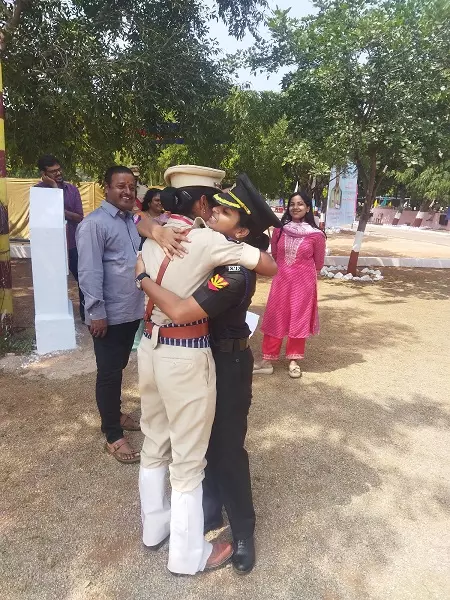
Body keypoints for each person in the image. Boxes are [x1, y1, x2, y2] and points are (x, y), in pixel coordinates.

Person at [136, 173, 281, 575]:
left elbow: (184, 309)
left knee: (226, 449)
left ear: (243, 229)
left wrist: (142, 276)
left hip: (226, 363)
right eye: (214, 206)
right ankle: (208, 510)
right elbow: (150, 224)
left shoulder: (234, 268)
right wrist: (149, 224)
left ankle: (244, 531)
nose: (215, 212)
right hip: (193, 357)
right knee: (197, 446)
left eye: (226, 212)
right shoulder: (202, 244)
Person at [76, 166, 144, 464]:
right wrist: (96, 313)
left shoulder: (131, 222)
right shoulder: (94, 224)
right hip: (108, 314)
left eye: (132, 186)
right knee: (108, 373)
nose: (128, 191)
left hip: (130, 310)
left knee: (118, 366)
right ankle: (113, 435)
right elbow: (89, 272)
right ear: (107, 187)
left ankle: (113, 413)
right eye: (121, 186)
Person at [253, 191, 326, 379]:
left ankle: (294, 361)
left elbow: (318, 263)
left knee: (298, 318)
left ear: (308, 208)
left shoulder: (317, 235)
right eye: (292, 204)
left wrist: (300, 271)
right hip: (282, 280)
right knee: (276, 316)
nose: (296, 207)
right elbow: (276, 255)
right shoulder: (280, 230)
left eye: (300, 204)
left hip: (304, 282)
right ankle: (267, 360)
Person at [35, 155, 85, 321]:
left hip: (73, 244)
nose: (58, 173)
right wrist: (54, 188)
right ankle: (56, 314)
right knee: (53, 282)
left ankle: (87, 316)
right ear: (44, 173)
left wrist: (59, 209)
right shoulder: (38, 191)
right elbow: (42, 218)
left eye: (58, 169)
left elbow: (79, 217)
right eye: (53, 171)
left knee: (83, 279)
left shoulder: (72, 190)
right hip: (51, 247)